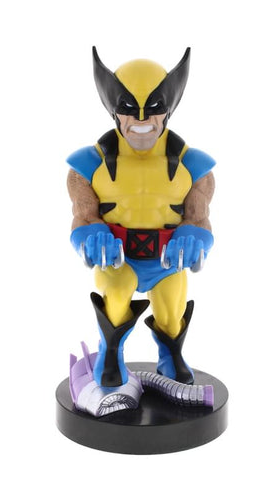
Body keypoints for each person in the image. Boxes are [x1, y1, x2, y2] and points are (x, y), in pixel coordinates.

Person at [67, 47, 215, 390]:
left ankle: (171, 356)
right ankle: (110, 354)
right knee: (116, 299)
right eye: (129, 108)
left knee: (172, 313)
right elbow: (82, 216)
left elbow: (200, 219)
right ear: (113, 109)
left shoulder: (193, 166)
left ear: (169, 108)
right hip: (119, 260)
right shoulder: (89, 166)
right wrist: (91, 235)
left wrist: (193, 236)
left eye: (155, 107)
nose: (143, 119)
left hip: (167, 261)